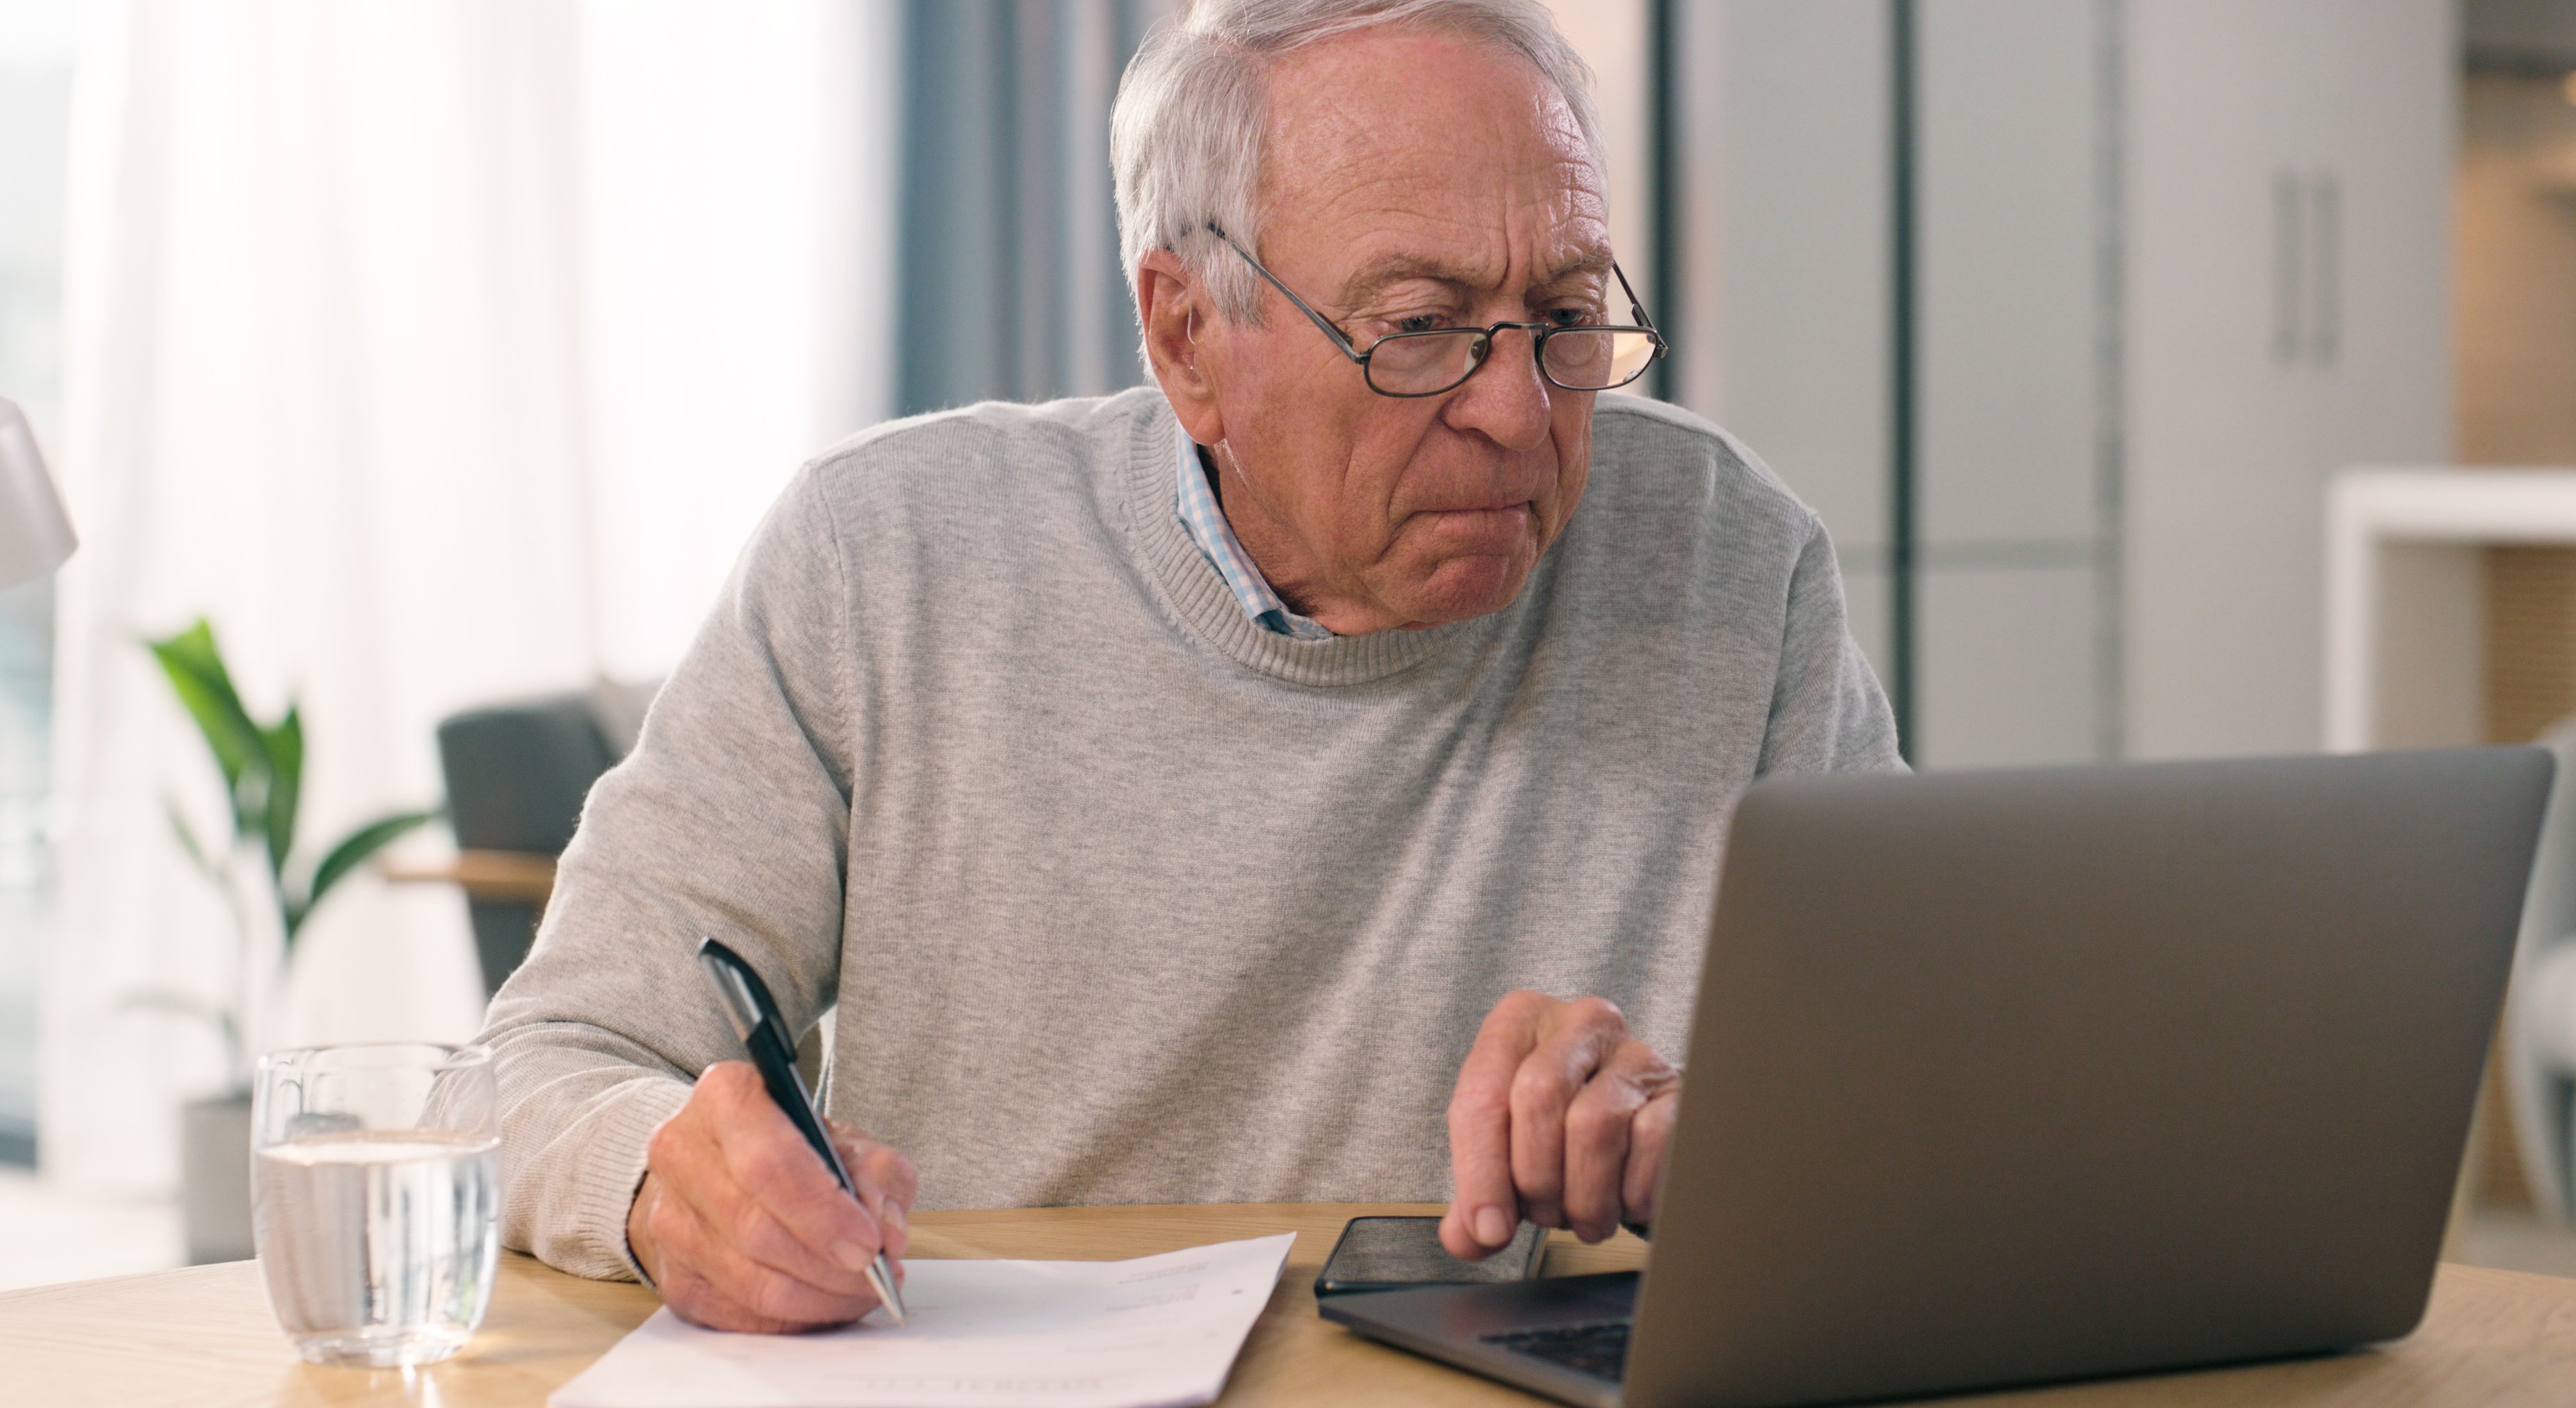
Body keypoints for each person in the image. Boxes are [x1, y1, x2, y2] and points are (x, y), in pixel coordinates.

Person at [480, 0, 1900, 1334]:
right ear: (1188, 336)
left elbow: (1921, 1099)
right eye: (1420, 327)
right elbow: (545, 1062)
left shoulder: (1728, 560)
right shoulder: (884, 558)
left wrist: (1717, 1128)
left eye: (1568, 312)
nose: (1519, 407)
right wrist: (667, 1181)